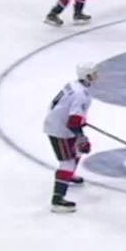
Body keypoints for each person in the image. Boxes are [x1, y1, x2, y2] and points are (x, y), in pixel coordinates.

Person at [43, 63, 99, 213]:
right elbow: (73, 121)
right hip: (60, 130)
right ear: (87, 76)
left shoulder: (73, 85)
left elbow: (59, 105)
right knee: (67, 163)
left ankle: (69, 176)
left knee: (77, 151)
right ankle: (57, 201)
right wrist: (81, 137)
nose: (97, 76)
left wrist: (78, 123)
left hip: (60, 123)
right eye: (94, 74)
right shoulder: (81, 95)